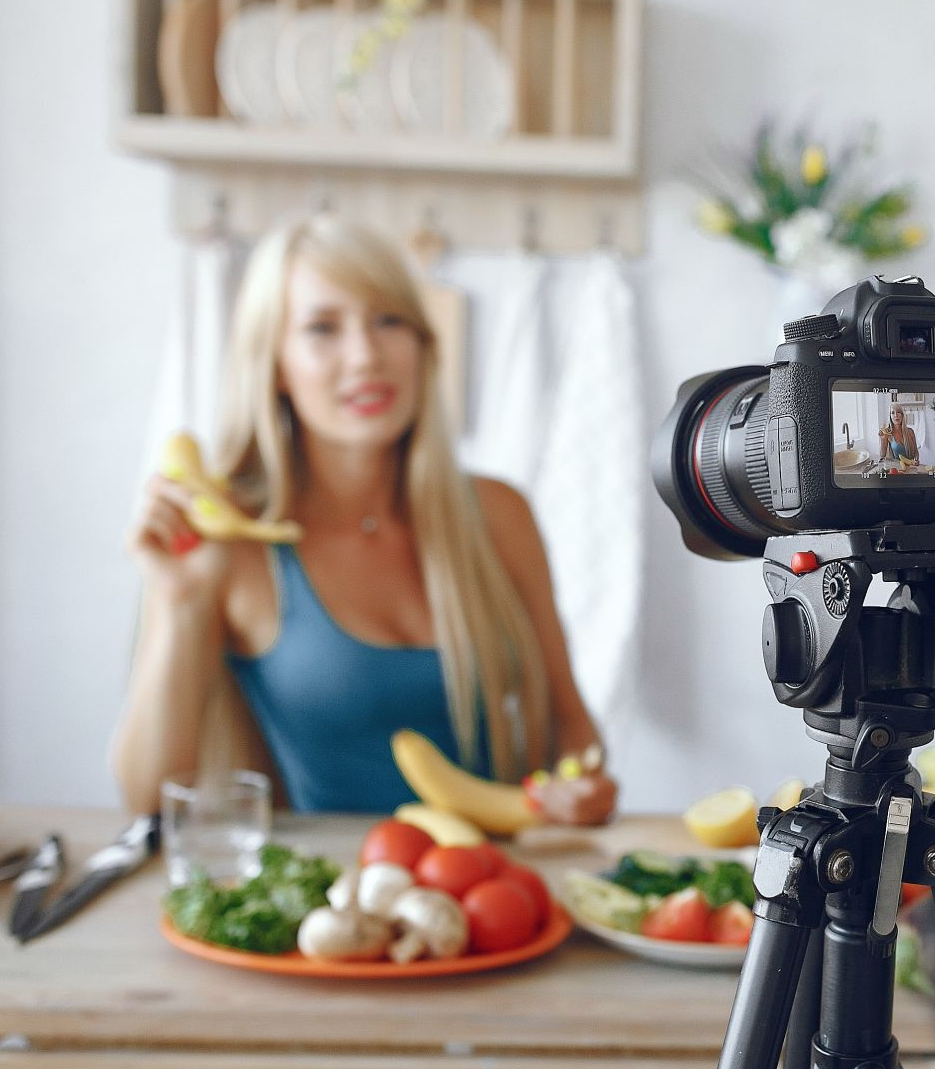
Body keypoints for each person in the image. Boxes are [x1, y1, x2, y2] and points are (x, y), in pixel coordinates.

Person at [111, 214, 617, 823]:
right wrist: (177, 601)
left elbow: (572, 728)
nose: (366, 356)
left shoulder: (498, 514)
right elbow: (147, 800)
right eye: (322, 328)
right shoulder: (230, 545)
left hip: (494, 876)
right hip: (326, 882)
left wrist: (580, 785)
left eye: (389, 321)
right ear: (274, 364)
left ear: (422, 347)